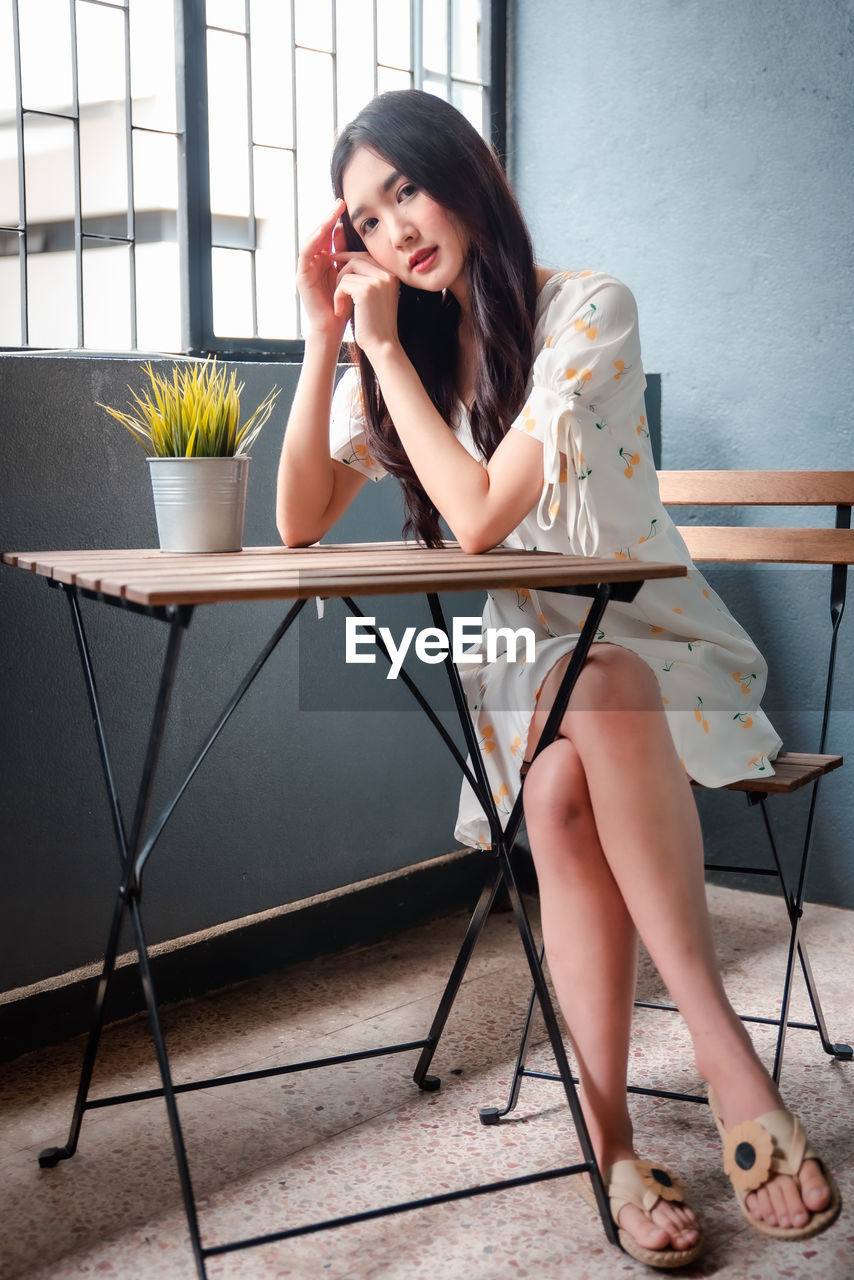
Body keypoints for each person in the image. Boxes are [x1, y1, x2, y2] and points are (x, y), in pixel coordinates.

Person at [276, 89, 840, 1268]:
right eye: (367, 221)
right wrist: (333, 336)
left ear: (465, 171)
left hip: (664, 653)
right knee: (580, 707)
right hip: (526, 676)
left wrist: (382, 351)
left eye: (407, 190)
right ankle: (718, 1066)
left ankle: (613, 1139)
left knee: (585, 730)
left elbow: (476, 515)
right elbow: (295, 521)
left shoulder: (587, 306)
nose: (396, 230)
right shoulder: (401, 355)